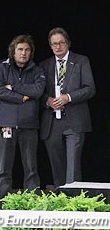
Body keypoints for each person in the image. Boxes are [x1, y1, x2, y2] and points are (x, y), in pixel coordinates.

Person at [0, 34, 45, 209]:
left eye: (27, 50)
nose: (23, 53)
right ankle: (3, 204)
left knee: (31, 168)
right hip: (6, 123)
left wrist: (13, 88)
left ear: (31, 52)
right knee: (4, 168)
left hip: (29, 125)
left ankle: (32, 204)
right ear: (13, 51)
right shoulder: (2, 68)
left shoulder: (37, 70)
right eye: (20, 49)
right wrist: (21, 97)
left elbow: (37, 91)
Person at [39, 27, 96, 189]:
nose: (58, 47)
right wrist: (47, 101)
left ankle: (73, 200)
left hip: (75, 121)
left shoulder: (81, 61)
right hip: (52, 122)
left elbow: (90, 89)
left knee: (73, 166)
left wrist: (68, 97)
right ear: (50, 46)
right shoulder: (44, 65)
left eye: (61, 43)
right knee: (56, 166)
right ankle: (59, 198)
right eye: (54, 44)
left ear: (68, 43)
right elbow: (38, 93)